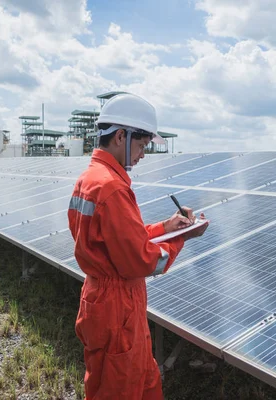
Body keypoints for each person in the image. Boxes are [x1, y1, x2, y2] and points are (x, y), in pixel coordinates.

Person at [68, 93, 208, 399]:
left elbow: (118, 239)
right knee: (120, 388)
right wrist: (182, 237)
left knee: (144, 381)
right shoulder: (112, 188)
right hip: (118, 308)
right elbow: (141, 260)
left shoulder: (90, 179)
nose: (143, 154)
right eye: (142, 145)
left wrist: (167, 227)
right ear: (121, 136)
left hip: (109, 303)